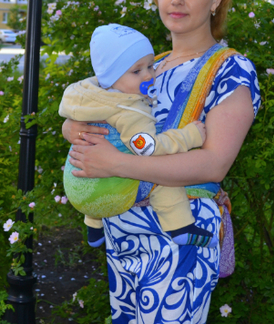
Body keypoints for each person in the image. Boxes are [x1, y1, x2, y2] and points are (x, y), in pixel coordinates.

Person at [62, 0, 261, 324]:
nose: (176, 0)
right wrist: (73, 128)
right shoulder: (145, 65)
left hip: (180, 234)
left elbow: (214, 163)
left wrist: (117, 164)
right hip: (123, 227)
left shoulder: (230, 69)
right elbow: (97, 109)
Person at [59, 23, 216, 249]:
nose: (149, 75)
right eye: (137, 71)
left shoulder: (90, 95)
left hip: (77, 186)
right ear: (112, 77)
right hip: (108, 194)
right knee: (161, 176)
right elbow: (148, 148)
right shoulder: (129, 111)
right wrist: (189, 136)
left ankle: (94, 227)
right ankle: (180, 227)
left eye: (150, 66)